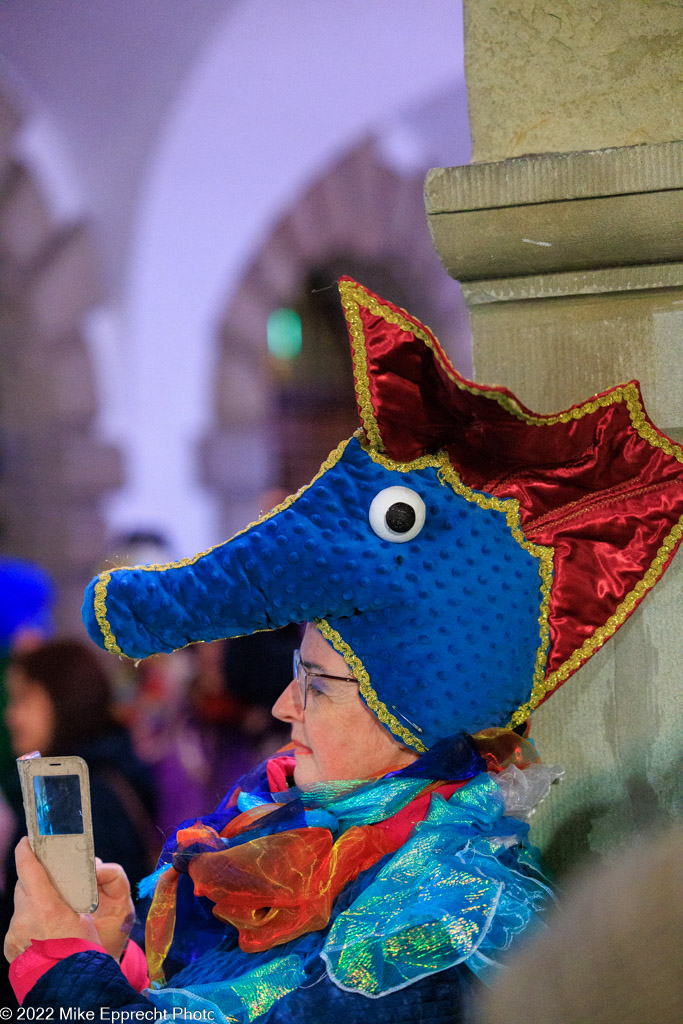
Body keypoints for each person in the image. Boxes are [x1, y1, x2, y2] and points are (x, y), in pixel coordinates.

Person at [4, 278, 682, 1022]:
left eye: (318, 683)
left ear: (416, 715)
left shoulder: (448, 927)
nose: (281, 704)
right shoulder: (316, 853)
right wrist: (114, 966)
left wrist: (65, 985)